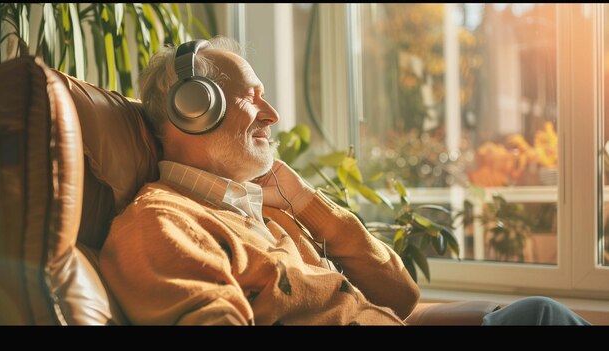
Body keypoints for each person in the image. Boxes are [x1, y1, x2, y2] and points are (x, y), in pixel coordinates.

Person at [99, 35, 589, 326]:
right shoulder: (161, 224)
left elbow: (401, 297)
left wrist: (310, 204)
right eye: (252, 98)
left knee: (540, 315)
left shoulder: (271, 214)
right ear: (195, 108)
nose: (272, 115)